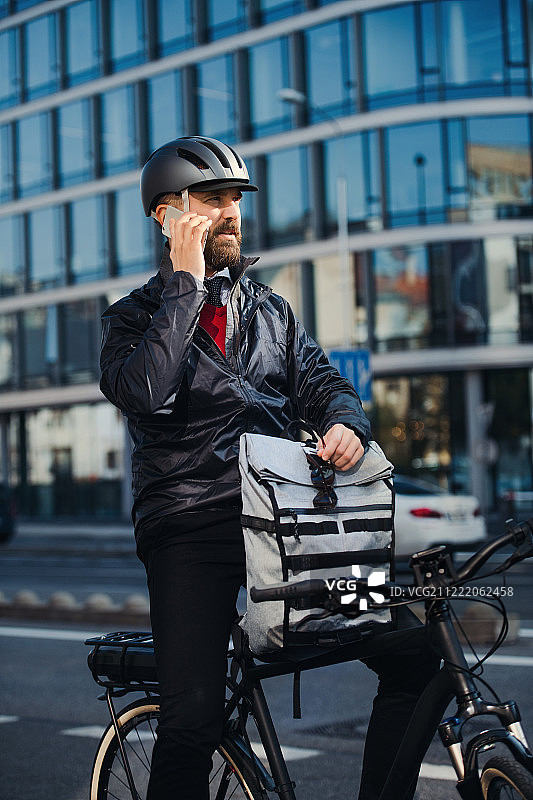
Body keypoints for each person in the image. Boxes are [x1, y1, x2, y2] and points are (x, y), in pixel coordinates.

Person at [100, 136, 441, 800]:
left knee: (416, 656)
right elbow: (147, 390)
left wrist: (345, 421)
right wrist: (185, 284)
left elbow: (325, 384)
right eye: (211, 201)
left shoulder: (271, 312)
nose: (230, 213)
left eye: (234, 200)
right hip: (190, 531)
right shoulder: (130, 319)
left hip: (287, 526)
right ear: (165, 216)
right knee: (192, 721)